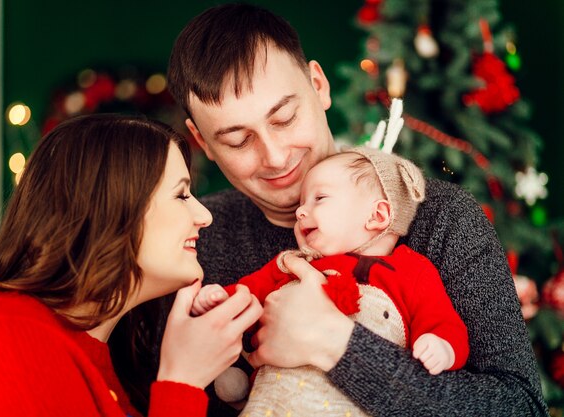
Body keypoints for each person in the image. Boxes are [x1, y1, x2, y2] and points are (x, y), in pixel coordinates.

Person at [167, 3, 548, 416]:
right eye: (238, 140)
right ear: (202, 142)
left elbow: (522, 407)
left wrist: (336, 344)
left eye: (285, 117)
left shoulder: (441, 218)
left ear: (319, 85)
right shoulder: (193, 239)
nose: (275, 156)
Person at [0, 114, 262, 417]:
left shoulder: (104, 361)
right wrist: (182, 383)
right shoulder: (2, 350)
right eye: (180, 195)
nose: (204, 217)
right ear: (113, 207)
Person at [192, 147, 470, 415]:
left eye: (319, 198)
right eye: (302, 203)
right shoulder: (294, 264)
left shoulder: (411, 270)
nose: (300, 212)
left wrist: (442, 347)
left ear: (377, 215)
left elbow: (443, 323)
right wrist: (219, 300)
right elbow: (246, 295)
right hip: (272, 402)